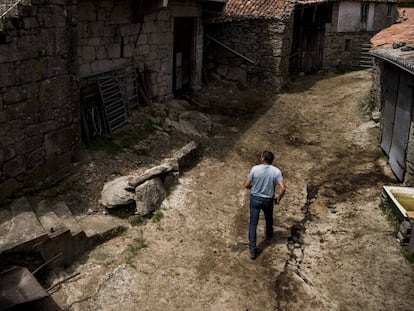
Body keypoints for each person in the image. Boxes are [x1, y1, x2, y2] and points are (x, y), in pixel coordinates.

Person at [244, 151, 286, 259]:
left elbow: (246, 184)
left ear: (263, 158)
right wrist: (278, 198)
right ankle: (269, 235)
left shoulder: (255, 169)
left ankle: (253, 250)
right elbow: (283, 188)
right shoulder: (276, 171)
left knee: (253, 223)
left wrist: (252, 187)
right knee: (269, 218)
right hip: (268, 200)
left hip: (255, 198)